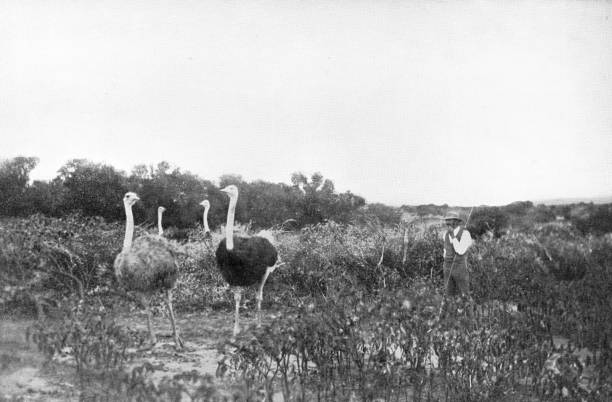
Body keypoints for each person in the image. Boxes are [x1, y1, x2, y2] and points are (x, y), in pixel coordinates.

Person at [442, 211, 473, 297]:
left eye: (450, 220)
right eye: (446, 220)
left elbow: (460, 251)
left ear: (457, 222)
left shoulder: (465, 233)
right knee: (448, 293)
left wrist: (452, 235)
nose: (447, 222)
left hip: (459, 267)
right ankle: (452, 309)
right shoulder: (445, 234)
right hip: (447, 267)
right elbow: (445, 250)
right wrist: (445, 263)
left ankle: (466, 309)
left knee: (464, 293)